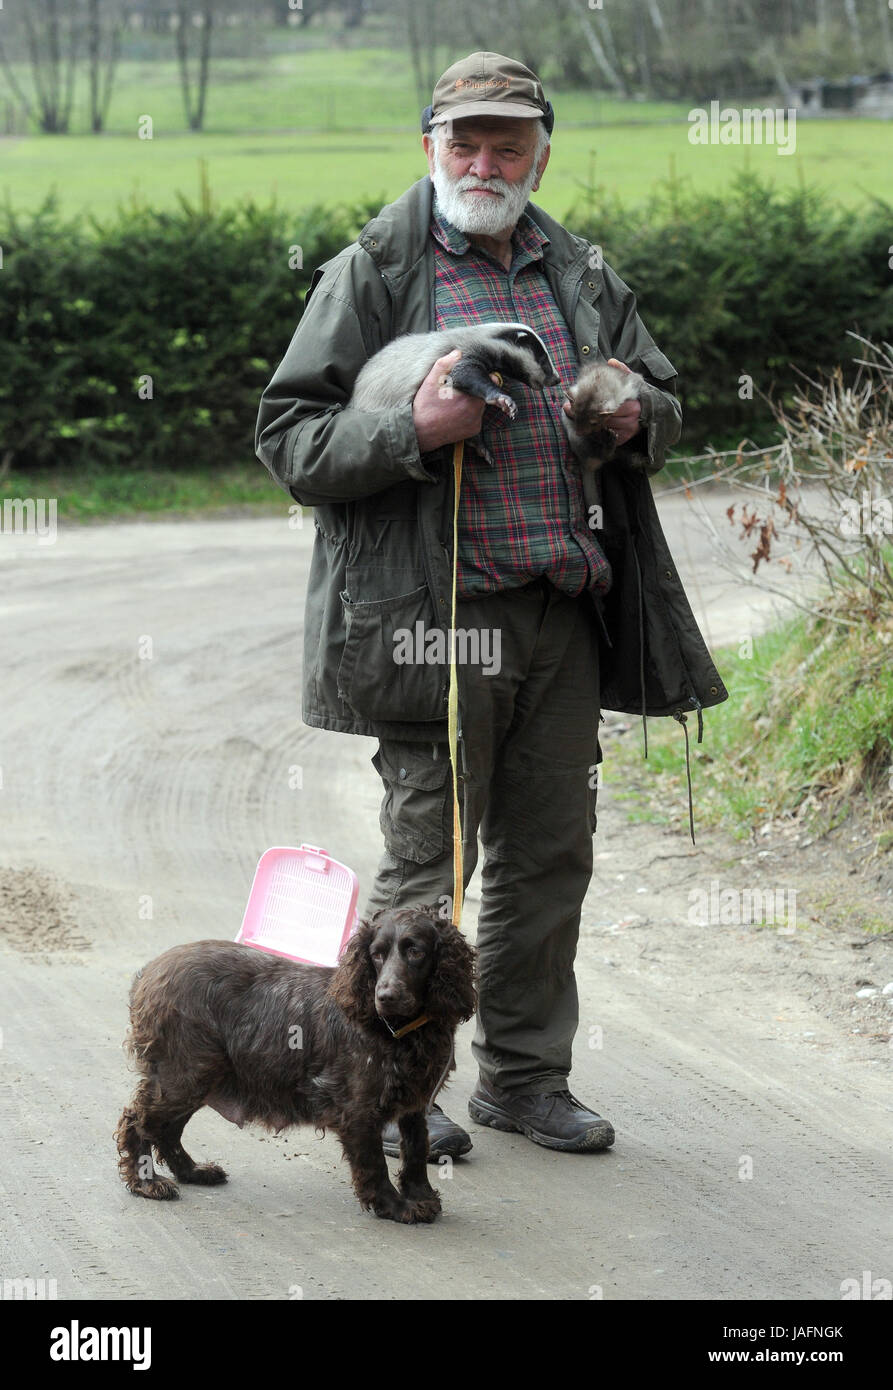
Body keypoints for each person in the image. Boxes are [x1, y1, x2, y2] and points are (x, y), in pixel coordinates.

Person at [255, 51, 727, 1161]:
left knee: (549, 856)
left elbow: (660, 402)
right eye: (463, 140)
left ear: (540, 154)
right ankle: (393, 1087)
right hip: (435, 618)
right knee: (428, 870)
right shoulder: (373, 269)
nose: (483, 160)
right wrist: (410, 431)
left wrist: (629, 413)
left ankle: (521, 1080)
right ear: (429, 145)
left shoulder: (577, 271)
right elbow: (288, 437)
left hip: (563, 608)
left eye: (506, 143)